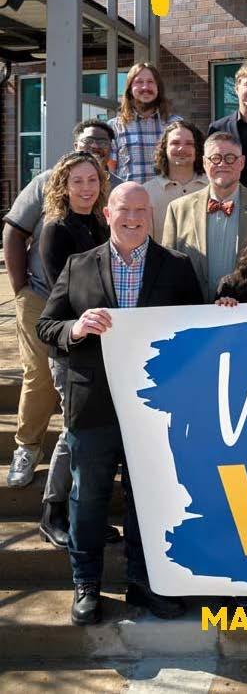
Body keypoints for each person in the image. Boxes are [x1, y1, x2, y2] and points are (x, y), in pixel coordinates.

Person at [37, 183, 202, 625]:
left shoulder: (177, 267)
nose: (133, 217)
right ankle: (86, 584)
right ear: (107, 214)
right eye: (124, 209)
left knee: (148, 500)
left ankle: (143, 584)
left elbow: (195, 333)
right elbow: (46, 327)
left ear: (152, 215)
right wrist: (75, 328)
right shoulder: (78, 266)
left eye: (141, 210)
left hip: (154, 411)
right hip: (93, 408)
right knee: (87, 499)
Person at [2, 119, 123, 489]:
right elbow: (14, 231)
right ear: (75, 144)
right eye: (88, 141)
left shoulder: (115, 190)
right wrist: (20, 288)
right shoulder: (48, 181)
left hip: (98, 308)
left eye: (103, 142)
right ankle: (27, 446)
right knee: (40, 375)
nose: (96, 147)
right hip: (43, 297)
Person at [38, 153, 111, 549]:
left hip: (104, 347)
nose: (86, 188)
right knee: (74, 430)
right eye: (77, 182)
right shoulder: (57, 230)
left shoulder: (100, 222)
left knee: (93, 433)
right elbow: (66, 296)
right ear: (64, 187)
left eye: (92, 181)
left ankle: (86, 514)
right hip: (71, 349)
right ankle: (53, 511)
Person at [162, 132, 247, 301]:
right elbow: (168, 270)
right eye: (215, 158)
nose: (222, 164)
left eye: (230, 158)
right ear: (205, 163)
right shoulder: (178, 210)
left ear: (241, 162)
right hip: (193, 313)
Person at [108, 63, 181, 183]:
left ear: (158, 88)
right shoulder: (114, 127)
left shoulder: (175, 125)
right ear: (130, 89)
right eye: (139, 82)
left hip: (166, 199)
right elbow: (111, 173)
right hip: (129, 199)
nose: (145, 87)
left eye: (150, 82)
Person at [143, 120, 208, 238]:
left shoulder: (211, 187)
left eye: (189, 143)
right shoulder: (147, 192)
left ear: (197, 149)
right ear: (164, 148)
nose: (181, 149)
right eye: (175, 143)